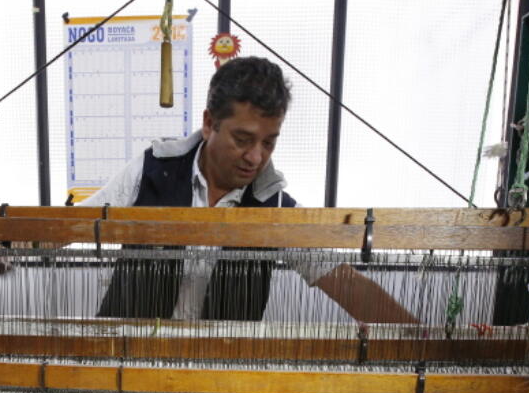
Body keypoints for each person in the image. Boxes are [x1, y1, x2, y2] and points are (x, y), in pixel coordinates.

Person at [88, 56, 415, 324]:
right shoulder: (152, 170)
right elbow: (68, 225)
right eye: (242, 140)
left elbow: (347, 285)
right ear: (209, 123)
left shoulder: (273, 208)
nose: (256, 157)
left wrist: (424, 340)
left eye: (269, 143)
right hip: (129, 362)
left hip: (221, 373)